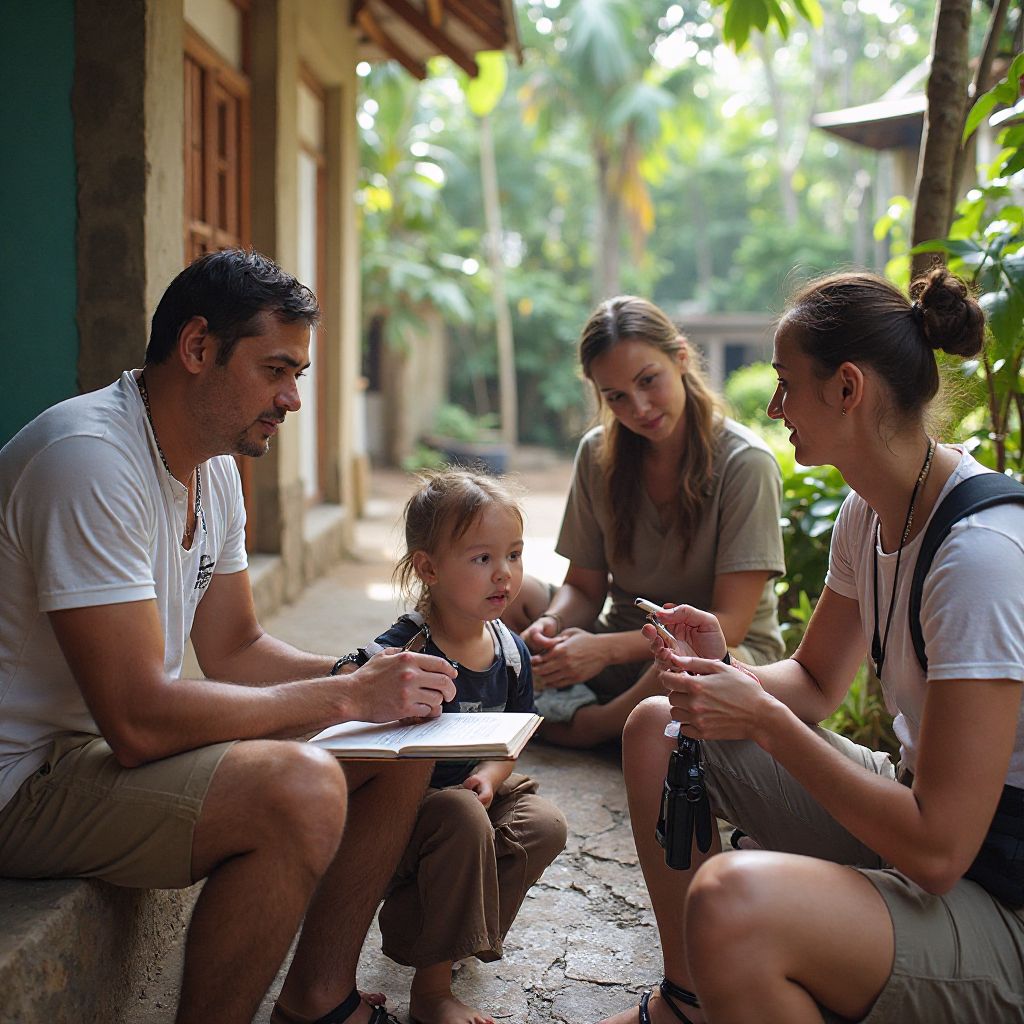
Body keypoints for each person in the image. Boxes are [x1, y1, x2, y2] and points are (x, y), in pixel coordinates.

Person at [0, 249, 460, 1024]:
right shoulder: (87, 461)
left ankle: (319, 999)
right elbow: (139, 722)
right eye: (275, 370)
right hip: (21, 779)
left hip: (88, 752)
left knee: (398, 742)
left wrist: (367, 678)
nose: (292, 399)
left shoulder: (212, 468)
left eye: (297, 375)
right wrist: (346, 694)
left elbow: (238, 650)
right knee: (299, 790)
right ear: (197, 347)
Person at [599, 268, 1024, 1024]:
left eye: (786, 383)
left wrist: (764, 721)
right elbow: (818, 682)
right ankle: (688, 1003)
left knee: (734, 905)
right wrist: (719, 670)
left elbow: (939, 851)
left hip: (999, 893)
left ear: (847, 388)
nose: (774, 408)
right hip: (921, 816)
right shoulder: (870, 512)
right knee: (658, 726)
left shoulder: (978, 558)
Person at [507, 296, 786, 748]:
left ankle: (592, 728)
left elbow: (731, 624)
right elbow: (585, 588)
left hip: (718, 653)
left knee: (681, 661)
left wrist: (604, 650)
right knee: (509, 595)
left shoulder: (745, 463)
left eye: (648, 381)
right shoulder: (597, 454)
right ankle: (596, 713)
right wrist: (553, 626)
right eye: (616, 396)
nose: (638, 407)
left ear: (681, 358)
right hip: (623, 644)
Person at [353, 469, 567, 1024]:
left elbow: (515, 735)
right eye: (482, 558)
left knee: (544, 824)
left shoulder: (511, 651)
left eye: (514, 555)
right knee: (459, 815)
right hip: (405, 817)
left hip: (470, 799)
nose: (504, 574)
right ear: (429, 568)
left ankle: (455, 936)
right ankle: (431, 993)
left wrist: (490, 777)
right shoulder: (403, 653)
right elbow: (360, 730)